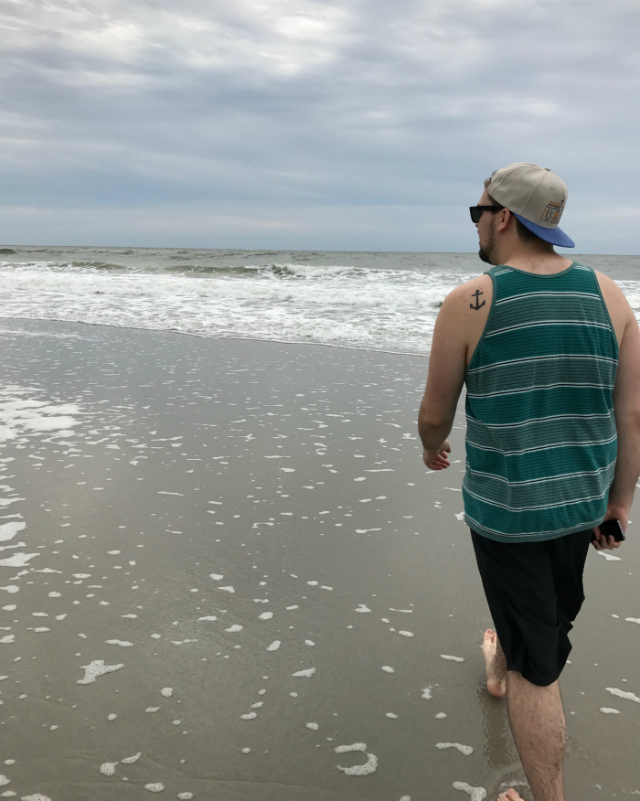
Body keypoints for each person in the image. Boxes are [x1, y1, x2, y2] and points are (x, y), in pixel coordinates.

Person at [417, 162, 640, 801]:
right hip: (583, 503)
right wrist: (619, 502)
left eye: (478, 213)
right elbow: (631, 414)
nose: (475, 224)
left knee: (539, 668)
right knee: (539, 620)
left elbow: (434, 414)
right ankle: (502, 660)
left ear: (504, 219)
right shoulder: (611, 295)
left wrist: (431, 447)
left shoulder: (471, 301)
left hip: (511, 512)